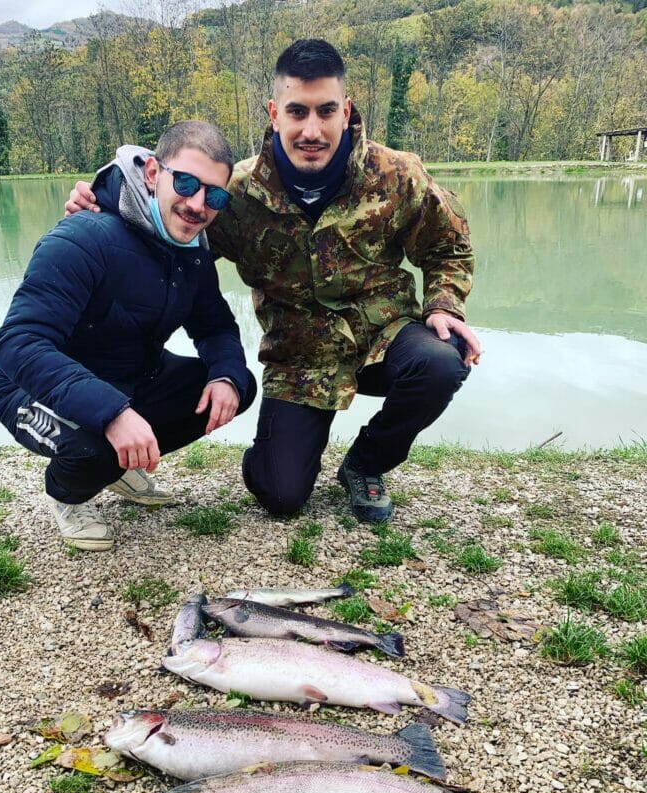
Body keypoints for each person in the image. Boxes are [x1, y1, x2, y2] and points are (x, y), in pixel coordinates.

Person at [66, 39, 480, 524]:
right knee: (279, 495)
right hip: (299, 359)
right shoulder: (234, 194)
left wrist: (443, 306)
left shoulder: (397, 175)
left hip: (382, 341)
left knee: (441, 363)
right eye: (297, 111)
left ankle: (366, 463)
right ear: (274, 112)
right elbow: (165, 227)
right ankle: (281, 453)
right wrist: (100, 206)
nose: (312, 129)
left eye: (326, 111)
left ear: (345, 110)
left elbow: (447, 244)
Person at [0, 120, 256, 551]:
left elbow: (216, 326)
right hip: (27, 387)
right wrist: (114, 414)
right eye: (185, 182)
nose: (198, 203)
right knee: (93, 450)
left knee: (236, 386)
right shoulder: (82, 237)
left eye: (215, 194)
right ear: (153, 174)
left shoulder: (192, 254)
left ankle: (117, 466)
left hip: (129, 373)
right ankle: (68, 492)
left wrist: (226, 375)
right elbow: (19, 344)